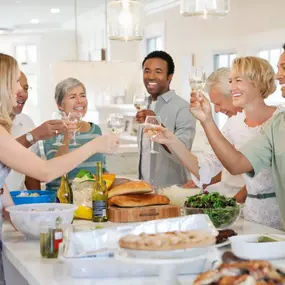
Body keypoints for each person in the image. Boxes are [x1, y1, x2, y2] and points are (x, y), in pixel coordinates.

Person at [154, 56, 284, 229]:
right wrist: (170, 140)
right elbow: (207, 167)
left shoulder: (279, 121)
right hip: (251, 214)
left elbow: (237, 165)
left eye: (238, 80)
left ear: (258, 83)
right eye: (231, 81)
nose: (232, 87)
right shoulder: (234, 124)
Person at [136, 50, 196, 187]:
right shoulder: (144, 105)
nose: (151, 76)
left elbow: (183, 153)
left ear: (170, 77)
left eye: (158, 71)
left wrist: (156, 124)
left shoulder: (183, 108)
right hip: (144, 190)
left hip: (173, 191)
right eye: (147, 71)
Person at [183, 67, 245, 199]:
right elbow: (219, 163)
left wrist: (233, 204)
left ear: (234, 95)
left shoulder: (261, 122)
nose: (216, 110)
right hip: (229, 196)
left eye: (218, 103)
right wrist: (208, 180)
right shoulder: (231, 124)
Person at [41, 77, 107, 191]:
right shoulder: (51, 130)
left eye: (82, 95)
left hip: (91, 200)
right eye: (72, 97)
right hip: (61, 201)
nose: (80, 101)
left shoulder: (95, 130)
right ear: (60, 105)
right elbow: (53, 170)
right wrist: (67, 138)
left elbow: (101, 170)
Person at [5, 72, 65, 191]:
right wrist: (34, 135)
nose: (23, 94)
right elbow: (5, 154)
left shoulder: (27, 122)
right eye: (16, 87)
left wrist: (37, 201)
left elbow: (31, 173)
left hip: (15, 203)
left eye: (26, 88)